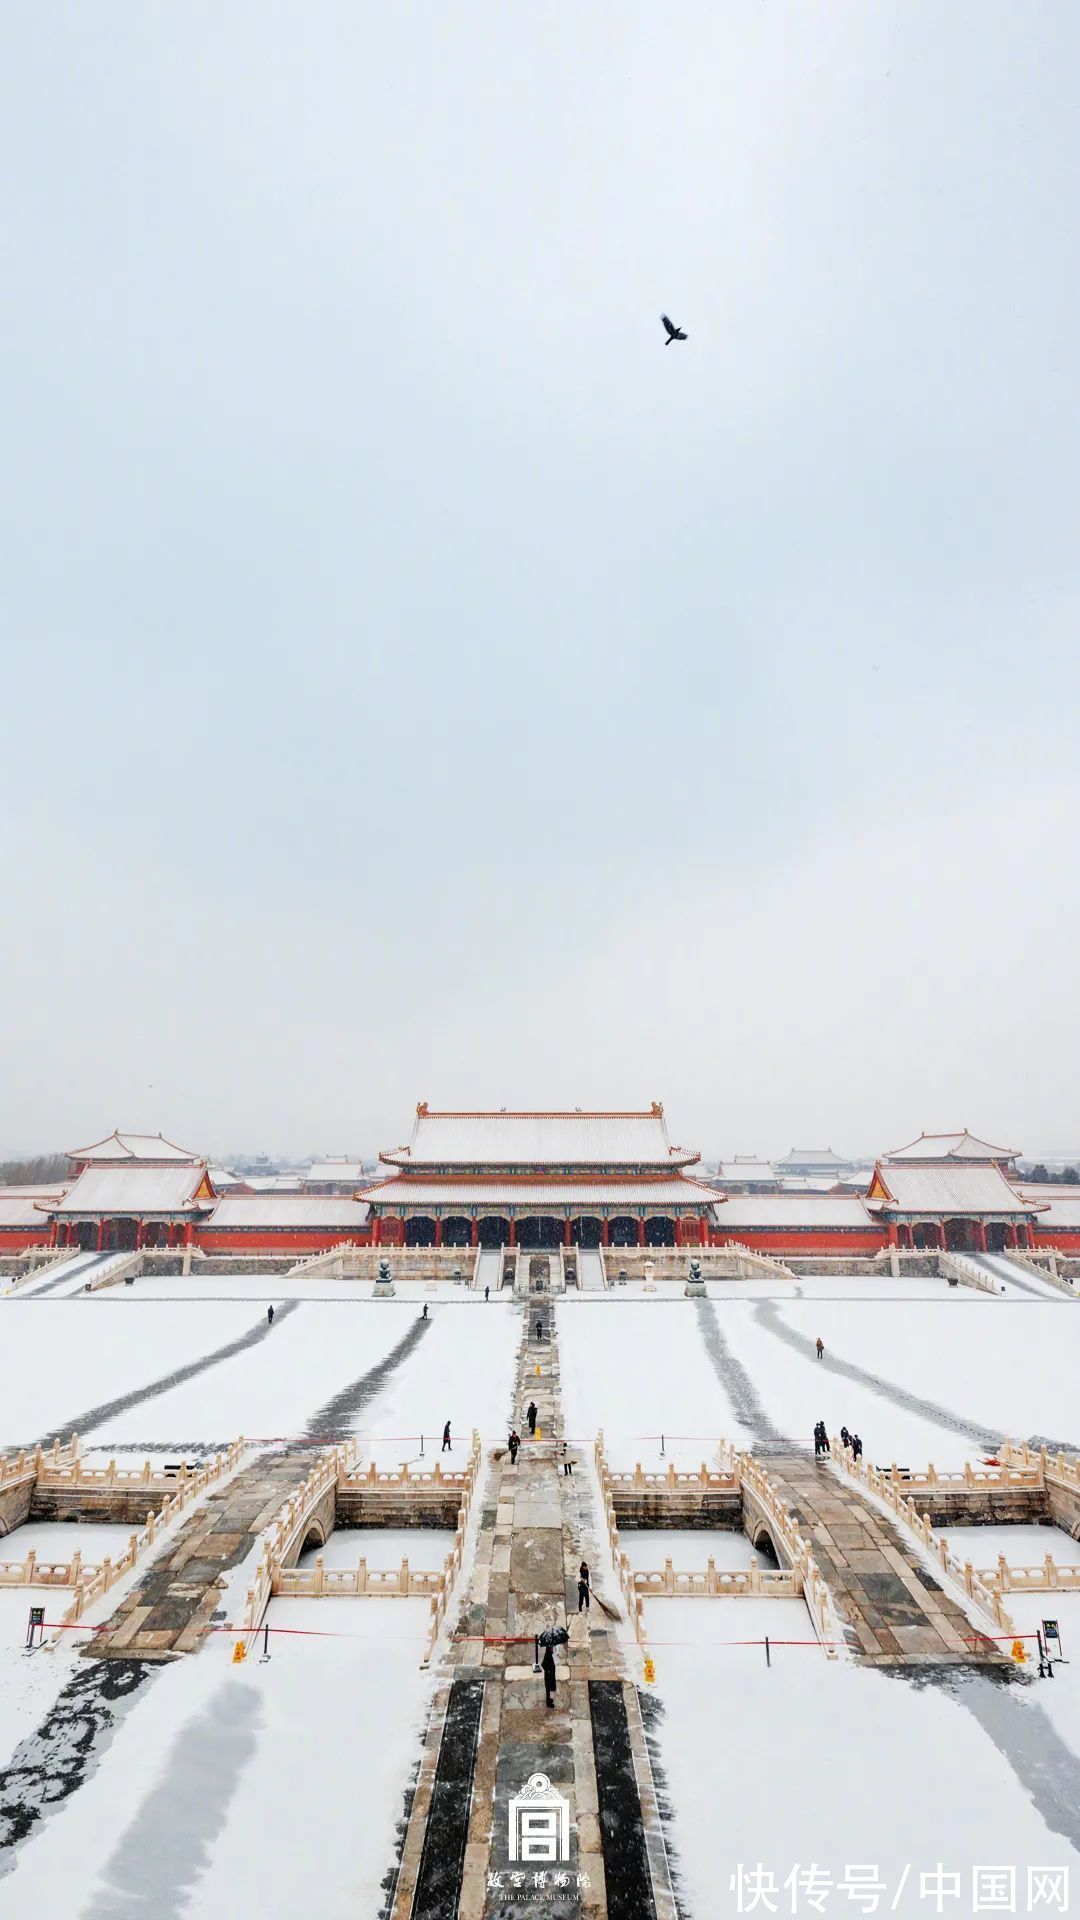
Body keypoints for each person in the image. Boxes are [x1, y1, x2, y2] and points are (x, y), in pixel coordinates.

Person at [542, 1641, 557, 1709]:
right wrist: (548, 1670)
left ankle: (549, 1700)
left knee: (551, 1687)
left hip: (551, 1674)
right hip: (549, 1674)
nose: (552, 1648)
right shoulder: (548, 1655)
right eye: (551, 1647)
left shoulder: (551, 1654)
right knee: (548, 1688)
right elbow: (543, 1664)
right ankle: (548, 1702)